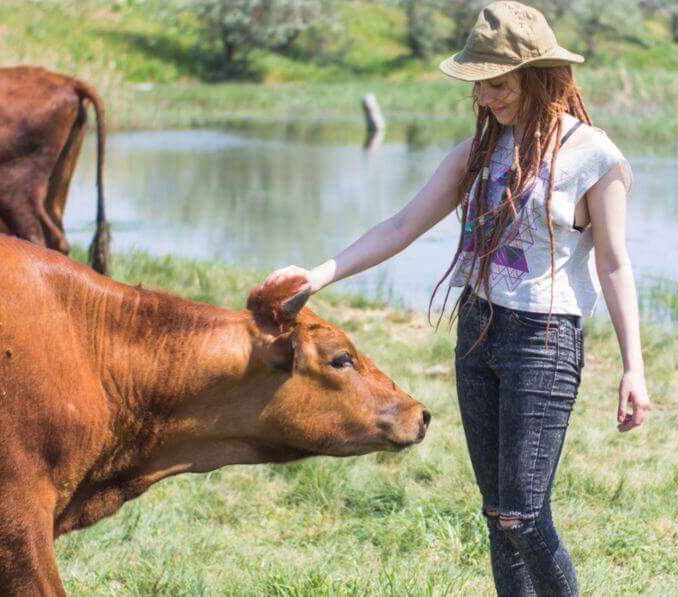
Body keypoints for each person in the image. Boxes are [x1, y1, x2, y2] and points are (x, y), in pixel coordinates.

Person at [260, 2, 650, 594]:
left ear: (539, 76)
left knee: (523, 513)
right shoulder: (476, 153)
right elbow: (400, 226)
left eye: (498, 85)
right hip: (478, 331)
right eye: (480, 87)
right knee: (498, 516)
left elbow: (615, 264)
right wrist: (317, 276)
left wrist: (634, 369)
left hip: (543, 340)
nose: (486, 99)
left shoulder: (592, 155)